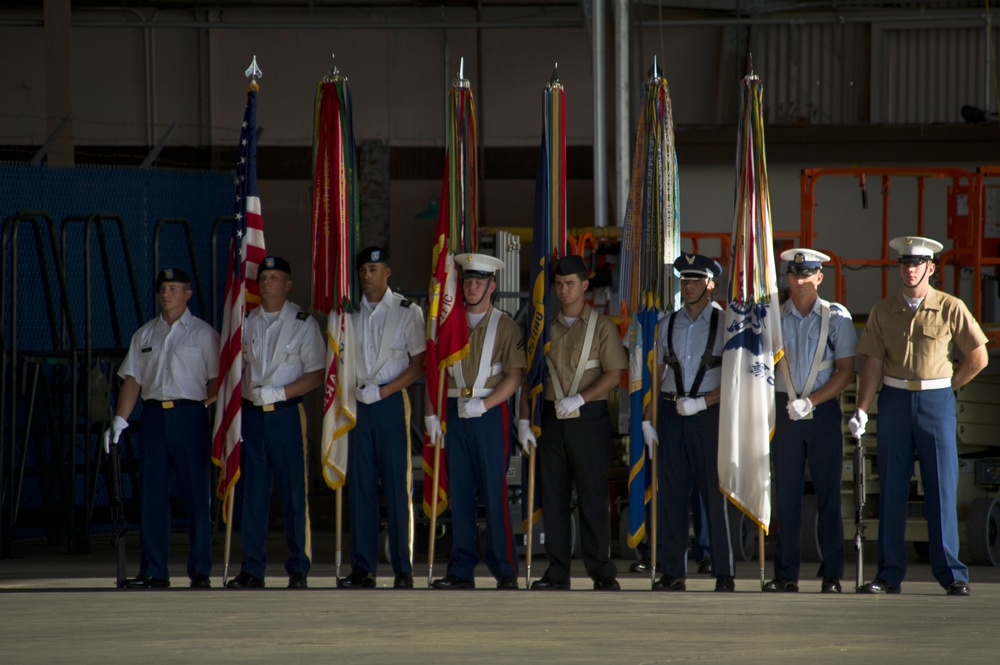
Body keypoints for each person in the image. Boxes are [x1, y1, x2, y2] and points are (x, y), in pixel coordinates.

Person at [852, 236, 988, 596]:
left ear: (931, 268)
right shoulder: (884, 310)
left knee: (941, 487)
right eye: (904, 264)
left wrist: (949, 387)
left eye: (917, 264)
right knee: (892, 489)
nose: (910, 270)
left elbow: (978, 355)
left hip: (935, 401)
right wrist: (861, 410)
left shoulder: (950, 306)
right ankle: (888, 574)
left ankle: (952, 574)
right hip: (895, 400)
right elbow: (873, 363)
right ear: (899, 268)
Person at [518, 255, 627, 591]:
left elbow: (615, 373)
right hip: (550, 419)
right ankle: (557, 571)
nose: (564, 290)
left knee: (593, 497)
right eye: (559, 284)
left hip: (588, 419)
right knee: (553, 497)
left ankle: (601, 570)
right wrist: (523, 420)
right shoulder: (542, 328)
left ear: (584, 285)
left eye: (570, 284)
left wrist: (581, 397)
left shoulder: (603, 327)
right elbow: (527, 379)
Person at [105, 268, 218, 589]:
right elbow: (133, 381)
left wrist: (207, 409)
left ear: (187, 294)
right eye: (163, 289)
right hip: (154, 417)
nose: (166, 294)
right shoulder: (144, 335)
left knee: (196, 495)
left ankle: (200, 571)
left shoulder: (204, 334)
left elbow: (216, 381)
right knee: (152, 495)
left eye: (173, 288)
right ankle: (154, 570)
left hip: (190, 415)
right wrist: (120, 420)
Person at [226, 256, 325, 590]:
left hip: (285, 415)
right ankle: (252, 568)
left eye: (274, 277)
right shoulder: (247, 321)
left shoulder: (302, 323)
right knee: (253, 494)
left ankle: (299, 567)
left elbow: (317, 373)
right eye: (263, 277)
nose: (267, 282)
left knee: (294, 492)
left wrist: (280, 392)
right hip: (253, 416)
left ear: (288, 284)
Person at [640, 253, 736, 592]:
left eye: (696, 280)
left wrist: (705, 402)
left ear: (710, 285)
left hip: (709, 414)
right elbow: (657, 372)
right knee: (673, 494)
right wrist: (648, 417)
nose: (689, 286)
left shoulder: (727, 324)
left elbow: (737, 379)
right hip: (671, 411)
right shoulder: (666, 323)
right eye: (684, 280)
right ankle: (672, 571)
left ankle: (724, 572)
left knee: (715, 492)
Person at [764, 248, 857, 594]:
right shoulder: (774, 317)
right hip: (785, 412)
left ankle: (832, 573)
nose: (799, 281)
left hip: (821, 412)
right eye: (793, 275)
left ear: (819, 277)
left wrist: (813, 401)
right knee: (785, 496)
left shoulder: (836, 317)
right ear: (787, 278)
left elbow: (846, 371)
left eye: (806, 275)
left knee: (828, 493)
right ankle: (785, 573)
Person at [430, 253, 525, 590]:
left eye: (479, 282)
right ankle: (460, 569)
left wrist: (484, 405)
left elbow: (514, 377)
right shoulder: (447, 323)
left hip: (489, 414)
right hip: (455, 413)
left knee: (495, 491)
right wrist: (433, 412)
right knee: (460, 493)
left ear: (492, 285)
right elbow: (434, 372)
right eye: (468, 281)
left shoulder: (506, 324)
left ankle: (505, 569)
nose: (472, 287)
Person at [337, 247, 426, 590]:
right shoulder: (349, 314)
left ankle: (403, 568)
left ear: (387, 272)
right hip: (357, 402)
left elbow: (417, 366)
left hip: (389, 404)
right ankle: (363, 567)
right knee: (360, 487)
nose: (366, 275)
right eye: (362, 269)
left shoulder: (407, 312)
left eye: (373, 269)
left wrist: (385, 392)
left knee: (396, 485)